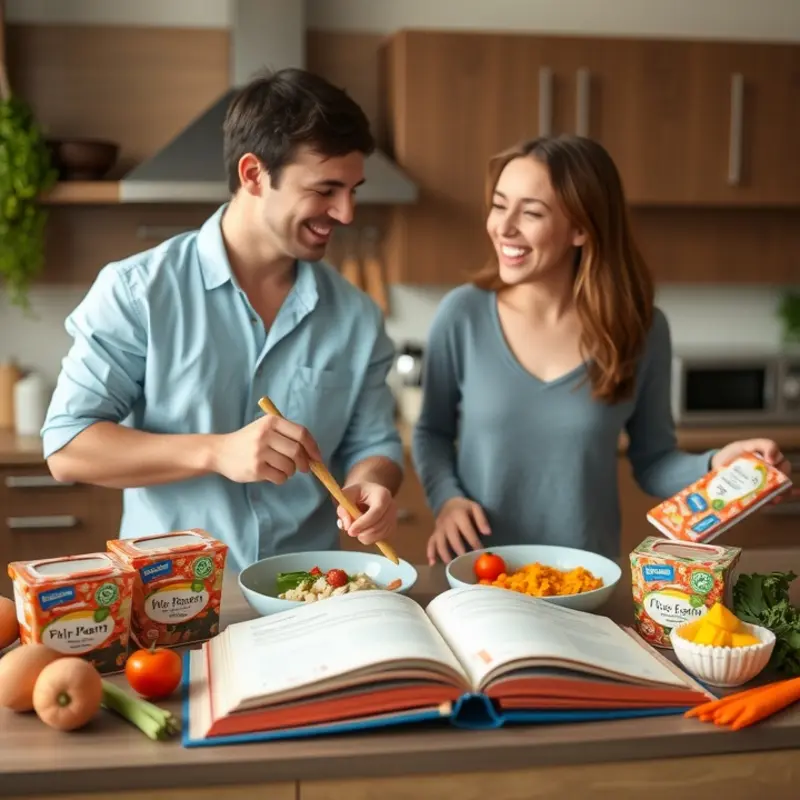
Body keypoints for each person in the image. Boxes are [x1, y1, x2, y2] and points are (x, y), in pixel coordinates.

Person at [42, 68, 404, 572]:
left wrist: (373, 481)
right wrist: (215, 452)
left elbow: (374, 442)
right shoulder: (138, 291)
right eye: (325, 190)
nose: (345, 213)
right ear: (254, 174)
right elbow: (67, 447)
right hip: (170, 599)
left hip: (310, 596)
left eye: (352, 190)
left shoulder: (358, 316)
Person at [412, 134, 795, 566]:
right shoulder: (461, 314)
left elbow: (653, 461)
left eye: (531, 212)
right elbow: (432, 433)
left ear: (581, 228)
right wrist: (446, 500)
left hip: (586, 580)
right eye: (500, 205)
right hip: (477, 574)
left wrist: (715, 465)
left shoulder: (640, 329)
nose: (503, 226)